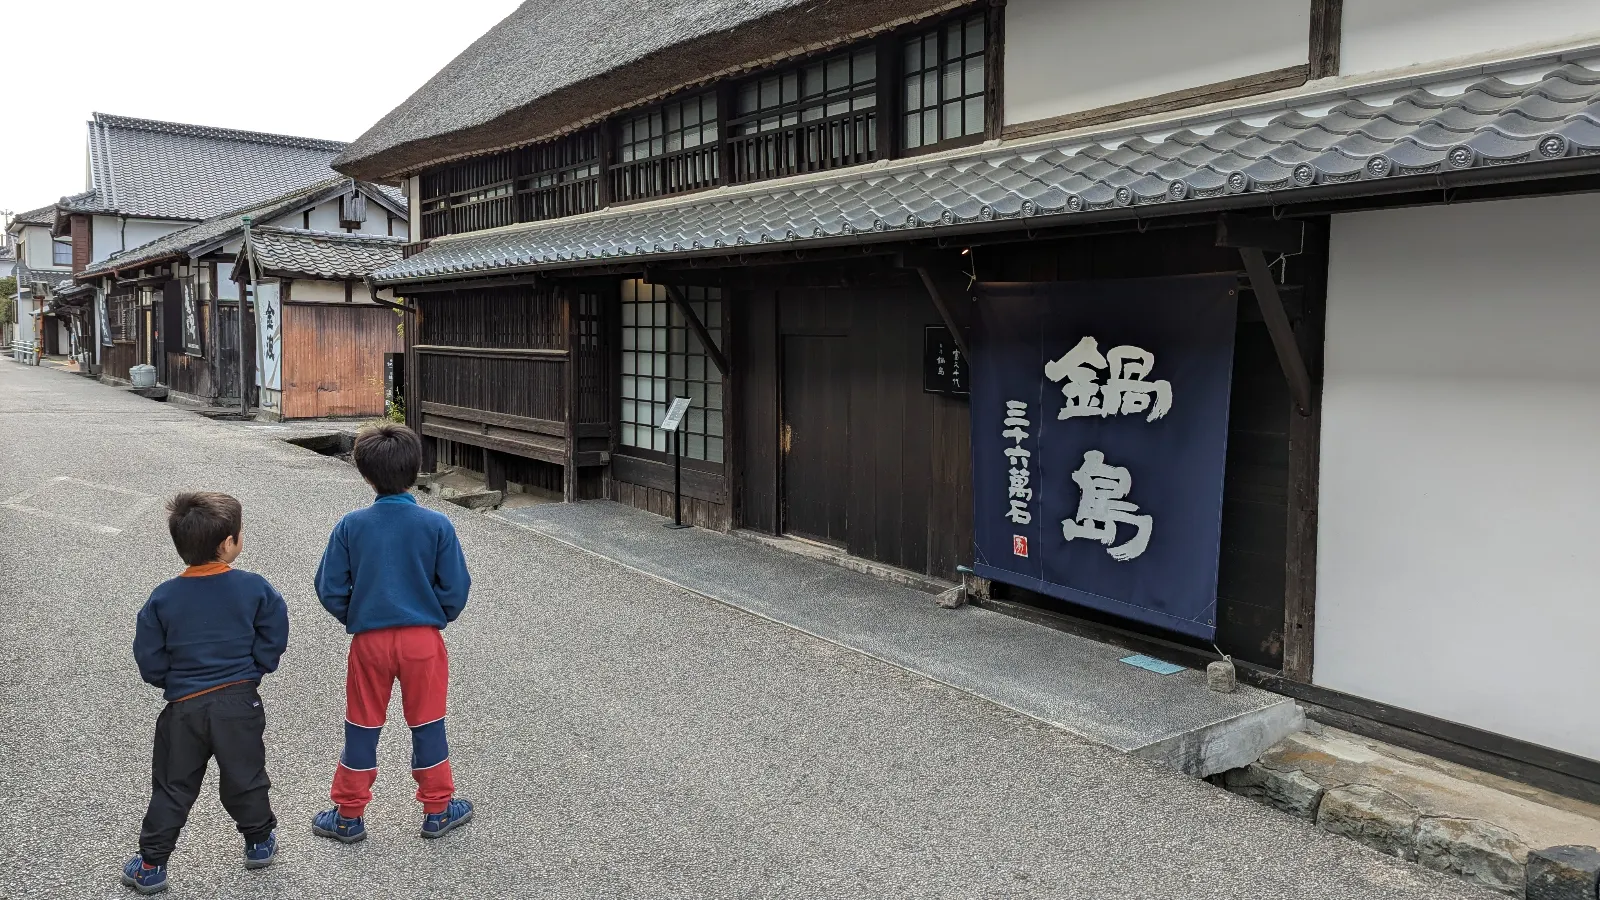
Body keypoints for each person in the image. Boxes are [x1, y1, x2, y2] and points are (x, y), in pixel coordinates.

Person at [312, 422, 473, 843]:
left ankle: (349, 815)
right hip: (423, 639)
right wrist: (434, 612)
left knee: (362, 724)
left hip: (370, 640)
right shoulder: (437, 525)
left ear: (364, 474)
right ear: (417, 467)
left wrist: (358, 613)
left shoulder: (351, 525)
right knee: (428, 721)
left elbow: (329, 587)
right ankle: (438, 808)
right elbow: (456, 589)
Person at [124, 493, 289, 895]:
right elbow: (274, 629)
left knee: (173, 786)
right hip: (238, 701)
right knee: (245, 777)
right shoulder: (254, 588)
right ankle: (258, 842)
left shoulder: (162, 598)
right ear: (229, 543)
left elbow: (149, 656)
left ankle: (151, 864)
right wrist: (255, 668)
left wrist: (171, 680)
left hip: (183, 708)